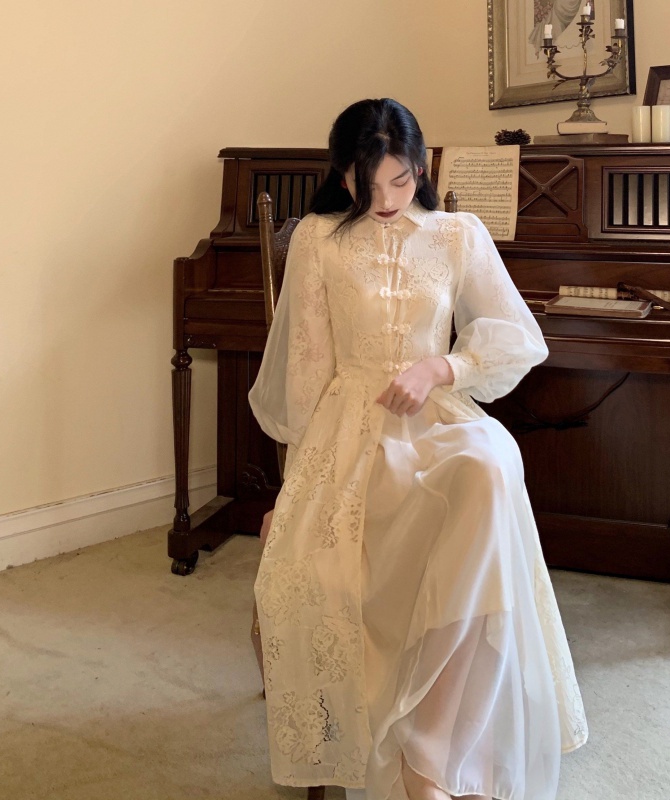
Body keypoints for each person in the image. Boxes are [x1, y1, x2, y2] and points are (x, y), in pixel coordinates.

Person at [250, 98, 587, 800]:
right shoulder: (318, 239)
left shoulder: (457, 234)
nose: (384, 199)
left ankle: (429, 752)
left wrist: (442, 366)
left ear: (422, 169)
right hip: (350, 435)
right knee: (451, 519)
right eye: (366, 183)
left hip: (438, 419)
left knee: (489, 467)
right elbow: (306, 371)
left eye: (400, 181)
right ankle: (425, 758)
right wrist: (296, 490)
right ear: (342, 174)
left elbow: (517, 337)